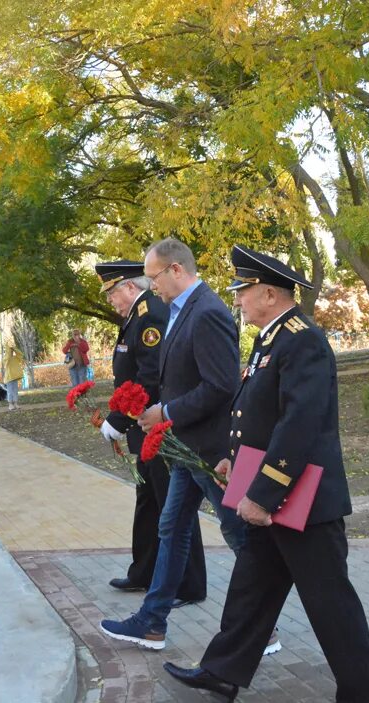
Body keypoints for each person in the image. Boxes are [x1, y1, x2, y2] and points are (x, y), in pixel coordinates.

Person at [163, 246, 369, 703]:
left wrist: (263, 494)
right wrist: (235, 458)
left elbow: (300, 426)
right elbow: (259, 415)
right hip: (275, 491)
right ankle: (222, 671)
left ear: (268, 293)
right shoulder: (272, 338)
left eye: (244, 291)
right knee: (252, 587)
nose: (240, 300)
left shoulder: (301, 339)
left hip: (302, 501)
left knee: (329, 600)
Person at [100, 238, 251, 652]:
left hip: (210, 451)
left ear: (176, 270)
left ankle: (260, 623)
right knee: (171, 528)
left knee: (239, 534)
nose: (151, 288)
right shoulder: (181, 311)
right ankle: (152, 622)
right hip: (185, 447)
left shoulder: (207, 312)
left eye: (154, 278)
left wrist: (166, 412)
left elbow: (220, 386)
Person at [94, 261, 206, 600]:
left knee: (174, 504)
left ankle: (190, 583)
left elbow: (149, 377)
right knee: (150, 501)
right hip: (143, 427)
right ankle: (144, 571)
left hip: (157, 426)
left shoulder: (150, 314)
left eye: (113, 293)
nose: (111, 301)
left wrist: (119, 418)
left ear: (130, 287)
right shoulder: (136, 316)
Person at [2, 345, 24, 410]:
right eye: (10, 351)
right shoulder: (5, 359)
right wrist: (8, 349)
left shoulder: (15, 358)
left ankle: (15, 403)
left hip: (14, 377)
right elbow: (7, 357)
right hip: (9, 378)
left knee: (15, 391)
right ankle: (10, 405)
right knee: (10, 391)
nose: (11, 352)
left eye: (12, 351)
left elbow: (20, 354)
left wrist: (14, 349)